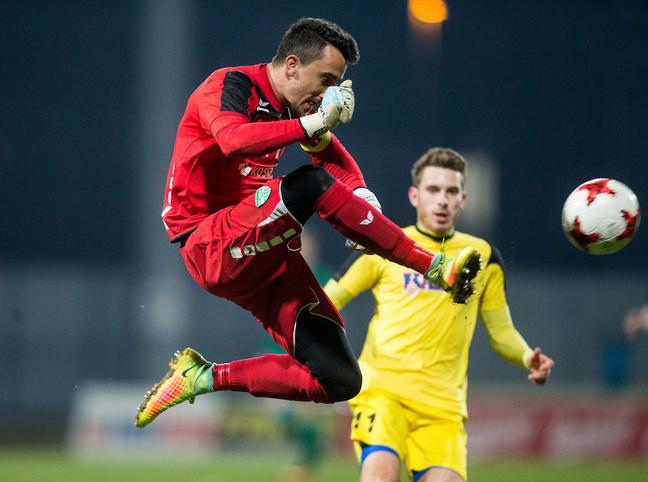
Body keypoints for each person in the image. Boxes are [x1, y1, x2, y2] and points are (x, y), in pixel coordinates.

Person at [134, 19, 482, 429]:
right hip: (210, 241)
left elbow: (331, 155)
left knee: (339, 378)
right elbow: (233, 139)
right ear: (293, 65)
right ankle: (435, 266)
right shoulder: (231, 85)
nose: (329, 94)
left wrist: (361, 193)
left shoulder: (296, 109)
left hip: (262, 252)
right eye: (326, 79)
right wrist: (312, 125)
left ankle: (201, 376)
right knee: (308, 185)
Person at [323, 147, 555, 482]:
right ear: (414, 196)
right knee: (380, 475)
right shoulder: (386, 244)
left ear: (463, 199)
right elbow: (330, 301)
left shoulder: (483, 257)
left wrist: (525, 357)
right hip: (383, 394)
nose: (442, 200)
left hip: (442, 407)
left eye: (450, 191)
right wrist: (314, 347)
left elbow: (501, 330)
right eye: (433, 190)